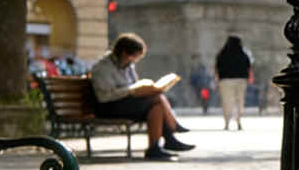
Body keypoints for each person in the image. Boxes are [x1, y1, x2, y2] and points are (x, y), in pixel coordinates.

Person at [90, 33, 195, 161]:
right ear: (124, 53)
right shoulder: (103, 68)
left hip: (125, 104)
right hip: (108, 107)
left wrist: (142, 90)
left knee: (156, 106)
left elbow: (134, 85)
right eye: (134, 57)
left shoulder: (127, 66)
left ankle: (154, 148)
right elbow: (104, 96)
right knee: (156, 98)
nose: (135, 61)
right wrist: (131, 91)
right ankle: (172, 131)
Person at [214, 36, 253, 131]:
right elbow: (249, 67)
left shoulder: (222, 53)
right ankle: (238, 120)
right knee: (240, 100)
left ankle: (227, 122)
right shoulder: (243, 53)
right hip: (241, 80)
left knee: (227, 101)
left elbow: (217, 67)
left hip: (225, 80)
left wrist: (217, 78)